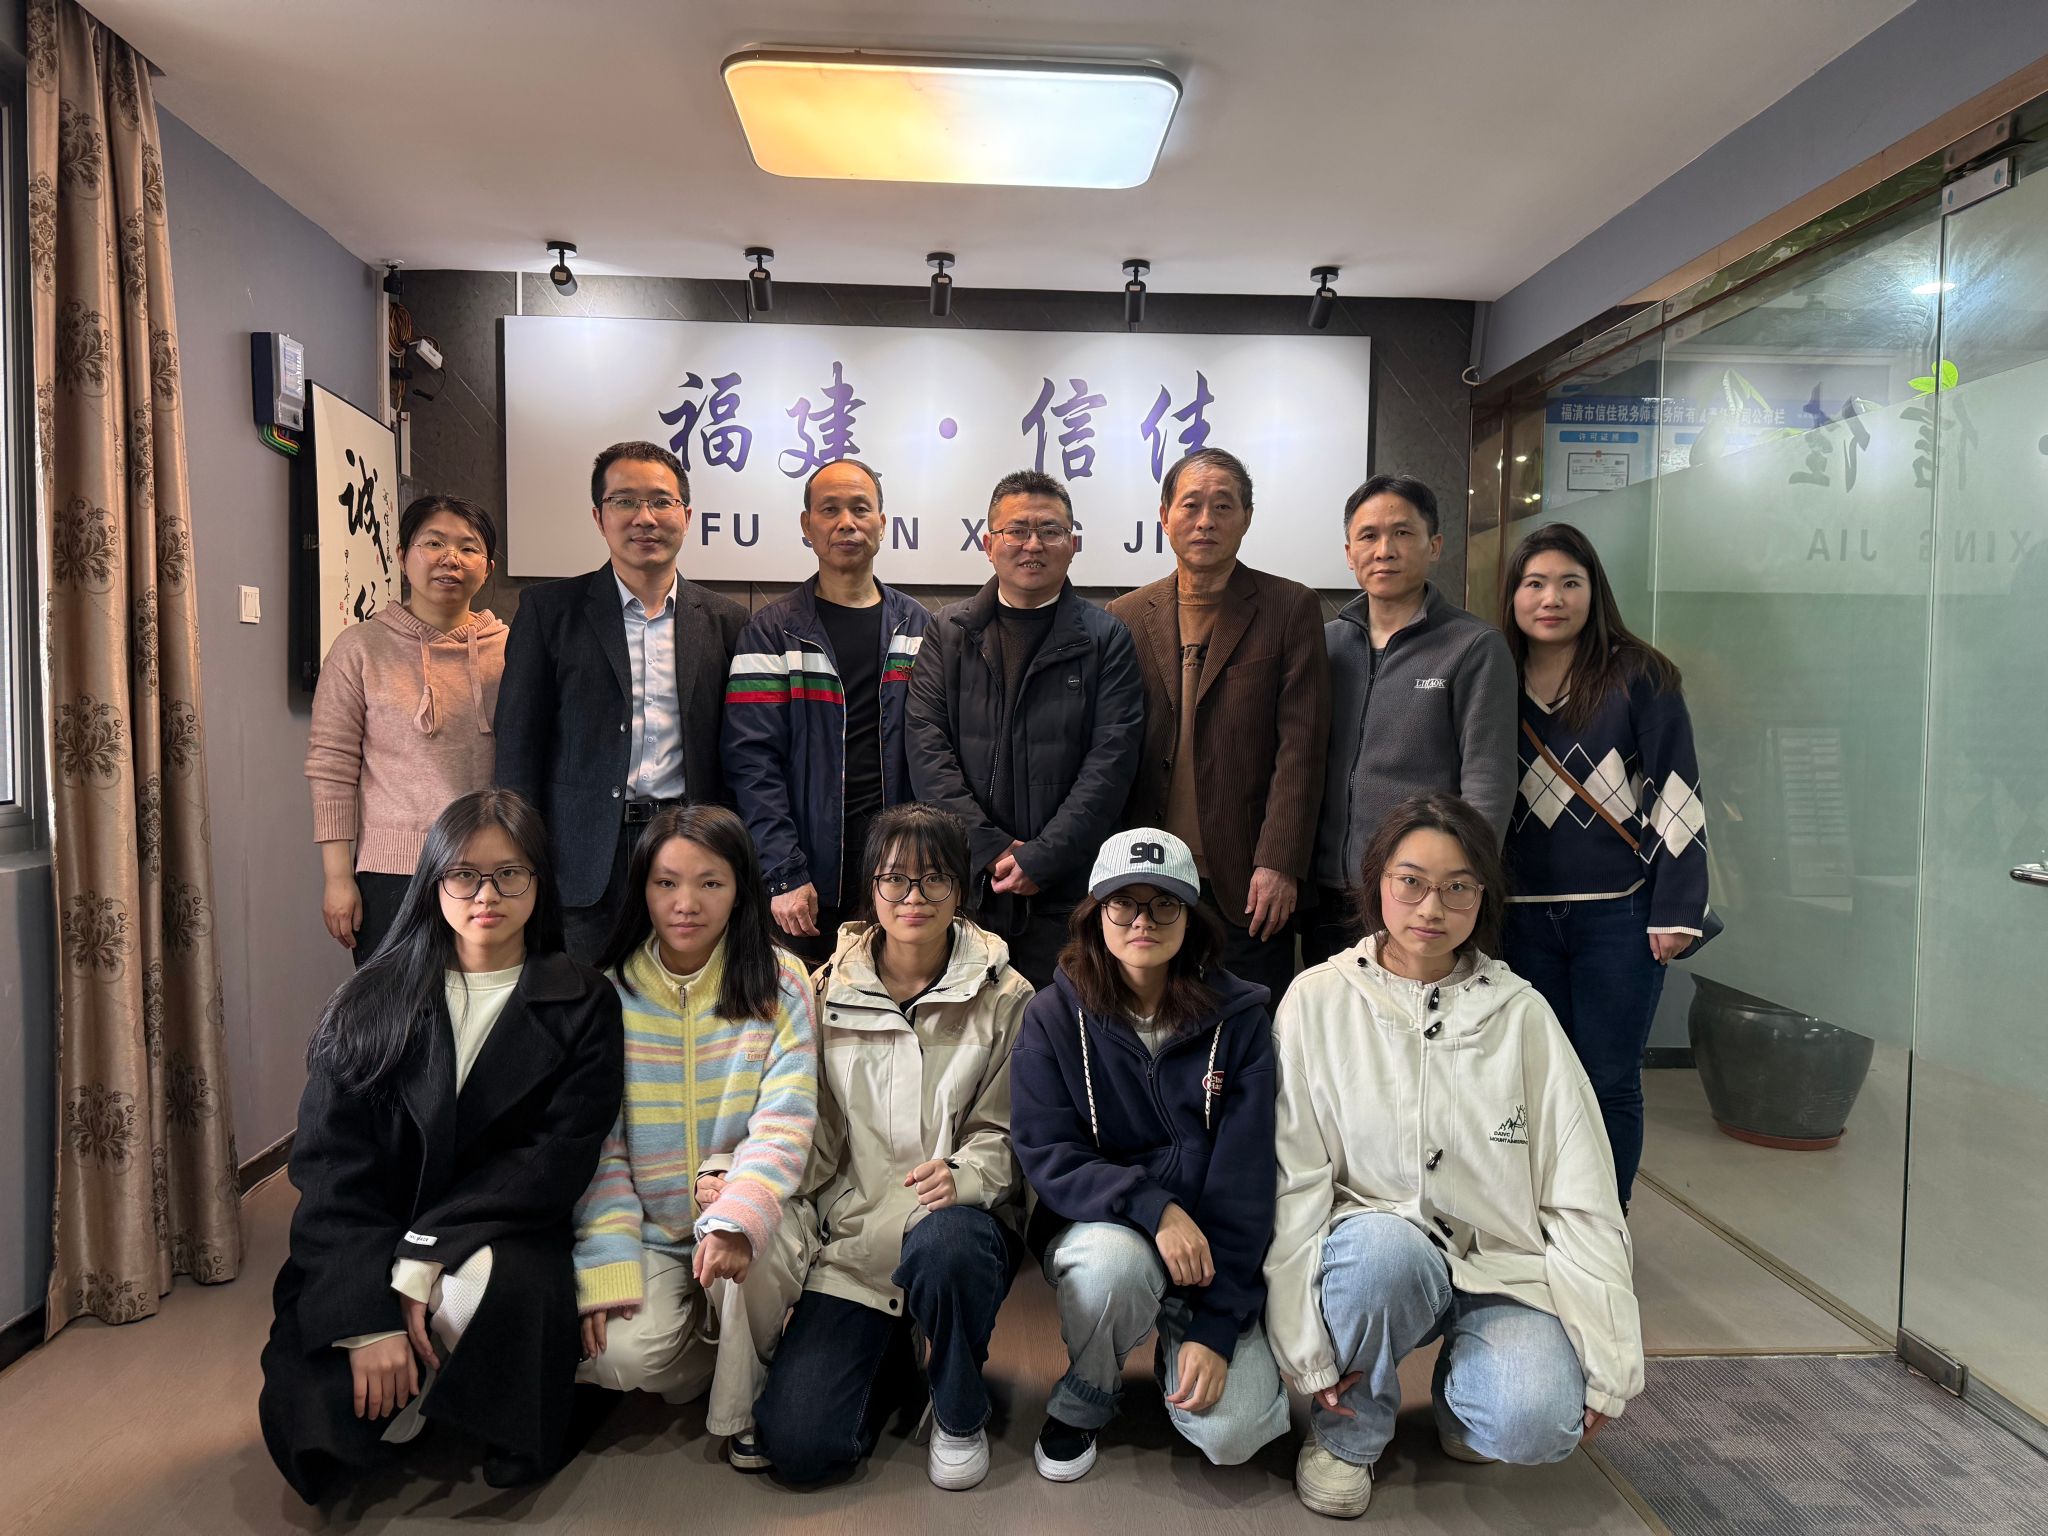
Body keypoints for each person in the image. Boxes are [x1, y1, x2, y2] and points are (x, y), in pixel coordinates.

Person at [1266, 793, 1642, 1520]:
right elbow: (1293, 1184)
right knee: (1383, 1257)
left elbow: (1581, 1193)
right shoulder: (1317, 1001)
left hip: (1501, 1267)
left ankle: (1466, 1398)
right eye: (1411, 882)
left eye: (1457, 887)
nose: (1431, 908)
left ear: (1483, 897)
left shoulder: (1521, 1013)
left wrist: (1609, 1358)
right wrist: (1304, 1350)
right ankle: (1349, 1435)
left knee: (1536, 1424)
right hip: (1375, 1257)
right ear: (1377, 881)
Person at [258, 789, 623, 1503]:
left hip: (502, 1229)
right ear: (433, 880)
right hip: (374, 1233)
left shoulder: (584, 1001)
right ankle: (420, 1369)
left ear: (539, 882)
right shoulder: (369, 999)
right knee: (320, 1430)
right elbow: (330, 1169)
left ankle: (457, 1370)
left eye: (509, 874)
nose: (487, 894)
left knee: (489, 1315)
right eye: (465, 874)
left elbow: (552, 1162)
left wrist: (426, 1251)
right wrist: (368, 1324)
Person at [753, 804, 1033, 1491]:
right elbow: (810, 1131)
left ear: (961, 890)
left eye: (935, 879)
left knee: (946, 1249)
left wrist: (967, 1174)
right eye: (895, 879)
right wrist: (762, 1197)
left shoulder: (1006, 993)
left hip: (960, 1225)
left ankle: (959, 1406)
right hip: (858, 1241)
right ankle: (900, 1352)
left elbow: (1011, 1130)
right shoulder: (824, 990)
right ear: (871, 888)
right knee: (800, 1447)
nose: (914, 897)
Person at [1010, 827, 1288, 1482]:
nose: (1143, 920)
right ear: (1095, 914)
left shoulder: (1241, 1020)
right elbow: (1048, 1154)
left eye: (1164, 904)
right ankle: (1088, 1391)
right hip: (1108, 1230)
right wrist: (1154, 1208)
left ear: (1190, 918)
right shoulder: (1052, 1016)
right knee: (1112, 1268)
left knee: (1235, 1435)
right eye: (1124, 903)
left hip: (1211, 1254)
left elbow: (1249, 1180)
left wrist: (1216, 1327)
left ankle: (1180, 1343)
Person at [572, 804, 818, 1471]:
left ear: (740, 888)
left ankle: (745, 1406)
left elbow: (786, 1122)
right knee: (619, 1360)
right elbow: (603, 1148)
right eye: (666, 883)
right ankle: (731, 1348)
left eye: (710, 882)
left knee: (749, 1248)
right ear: (643, 889)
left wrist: (736, 1216)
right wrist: (607, 1256)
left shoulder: (780, 982)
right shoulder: (610, 993)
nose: (686, 903)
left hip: (761, 1210)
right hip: (655, 1231)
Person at [1497, 522, 1708, 1210]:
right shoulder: (1492, 673)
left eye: (1569, 583)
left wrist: (1677, 908)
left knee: (1609, 1081)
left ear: (1594, 592)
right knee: (1533, 1081)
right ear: (1512, 594)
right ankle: (1542, 1222)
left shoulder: (1639, 675)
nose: (1551, 598)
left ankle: (1603, 1231)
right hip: (1519, 916)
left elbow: (1677, 792)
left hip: (1619, 914)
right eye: (1534, 583)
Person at [495, 440, 749, 963]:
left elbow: (739, 751)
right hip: (583, 853)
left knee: (688, 993)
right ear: (599, 516)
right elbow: (519, 745)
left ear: (687, 515)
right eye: (625, 501)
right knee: (585, 996)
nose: (644, 517)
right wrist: (519, 860)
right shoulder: (549, 611)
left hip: (690, 845)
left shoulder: (727, 621)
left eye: (660, 501)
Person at [1109, 448, 1330, 1004]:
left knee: (1248, 1025)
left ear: (1246, 518)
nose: (1205, 520)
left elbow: (1301, 748)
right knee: (1150, 1021)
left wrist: (1279, 862)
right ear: (1165, 516)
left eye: (1223, 506)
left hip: (1247, 882)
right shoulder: (1126, 615)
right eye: (1191, 505)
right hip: (1149, 874)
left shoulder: (1290, 607)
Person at [907, 468, 1144, 987]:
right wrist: (987, 849)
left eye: (1050, 530)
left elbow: (1112, 762)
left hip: (1067, 892)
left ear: (1073, 544)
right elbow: (926, 747)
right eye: (1016, 530)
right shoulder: (948, 631)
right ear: (988, 544)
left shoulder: (1106, 639)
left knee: (1062, 1022)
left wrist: (1043, 856)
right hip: (965, 886)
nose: (1032, 545)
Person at [723, 459, 930, 968]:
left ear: (882, 523)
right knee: (803, 1003)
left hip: (900, 868)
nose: (846, 523)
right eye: (830, 510)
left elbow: (938, 750)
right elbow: (751, 761)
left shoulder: (918, 627)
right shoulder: (772, 632)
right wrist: (783, 871)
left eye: (861, 509)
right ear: (807, 525)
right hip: (806, 875)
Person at [1304, 474, 1517, 967]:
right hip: (1328, 895)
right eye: (1369, 536)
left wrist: (1459, 887)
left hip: (1421, 900)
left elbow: (1488, 781)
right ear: (1349, 553)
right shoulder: (1325, 644)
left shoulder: (1473, 646)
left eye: (1402, 533)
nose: (1385, 550)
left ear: (1434, 545)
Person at [306, 494, 506, 962]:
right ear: (401, 555)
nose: (450, 559)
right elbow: (332, 765)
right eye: (433, 543)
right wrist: (338, 877)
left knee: (488, 1003)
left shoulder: (511, 649)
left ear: (487, 568)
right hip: (391, 873)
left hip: (492, 871)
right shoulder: (359, 648)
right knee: (394, 1006)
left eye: (469, 548)